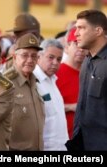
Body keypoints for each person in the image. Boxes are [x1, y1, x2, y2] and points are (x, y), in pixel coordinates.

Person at [69, 9, 107, 150]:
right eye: (76, 28)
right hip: (82, 142)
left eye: (81, 28)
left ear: (98, 31)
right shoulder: (86, 61)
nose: (76, 33)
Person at [4, 33, 44, 150]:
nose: (30, 60)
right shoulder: (5, 84)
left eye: (34, 56)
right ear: (15, 57)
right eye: (25, 55)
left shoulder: (35, 82)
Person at [33, 39, 68, 150]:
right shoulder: (32, 82)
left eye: (59, 59)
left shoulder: (52, 80)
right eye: (51, 57)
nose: (55, 63)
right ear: (39, 57)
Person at [56, 27, 87, 139]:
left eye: (84, 45)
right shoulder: (54, 74)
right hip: (62, 141)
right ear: (67, 47)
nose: (81, 49)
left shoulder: (92, 74)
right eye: (76, 43)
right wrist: (71, 107)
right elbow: (44, 109)